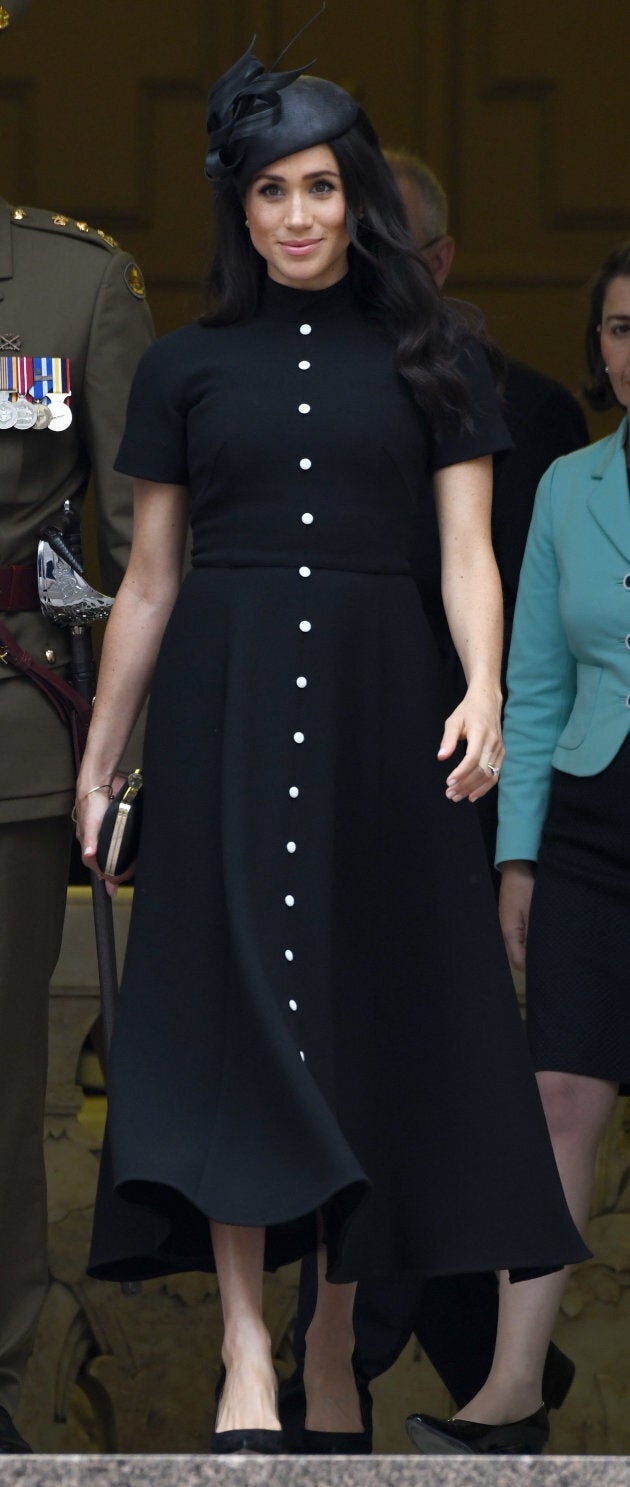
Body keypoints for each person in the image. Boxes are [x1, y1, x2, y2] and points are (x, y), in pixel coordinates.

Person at [75, 41, 586, 1457]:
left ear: (353, 202)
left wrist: (482, 686)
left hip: (386, 717)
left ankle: (325, 1342)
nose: (296, 214)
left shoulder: (438, 355)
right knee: (235, 1032)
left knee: (368, 1031)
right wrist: (103, 753)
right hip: (223, 716)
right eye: (268, 191)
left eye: (318, 187)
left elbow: (471, 552)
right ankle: (245, 1345)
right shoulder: (181, 366)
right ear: (237, 212)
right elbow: (153, 579)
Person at [284, 151, 588, 1454]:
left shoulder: (530, 409)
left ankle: (391, 1356)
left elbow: (532, 610)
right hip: (335, 777)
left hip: (477, 785)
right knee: (340, 1074)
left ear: (444, 262)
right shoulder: (301, 393)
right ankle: (419, 1356)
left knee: (448, 1075)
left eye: (394, 248)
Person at [406, 244, 630, 1453]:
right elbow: (532, 689)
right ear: (599, 348)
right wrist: (521, 858)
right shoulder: (573, 485)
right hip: (595, 819)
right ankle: (509, 1392)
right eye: (621, 328)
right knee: (554, 1100)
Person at [0, 3, 154, 1457]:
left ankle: (0, 1364)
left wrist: (127, 758)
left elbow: (131, 545)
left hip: (10, 738)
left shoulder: (70, 282)